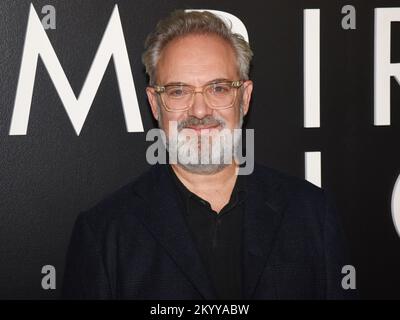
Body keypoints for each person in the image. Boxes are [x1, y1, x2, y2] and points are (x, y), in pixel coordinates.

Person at [62, 10, 357, 299]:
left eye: (218, 88)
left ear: (244, 98)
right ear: (155, 103)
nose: (200, 111)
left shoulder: (312, 215)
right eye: (179, 91)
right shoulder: (104, 233)